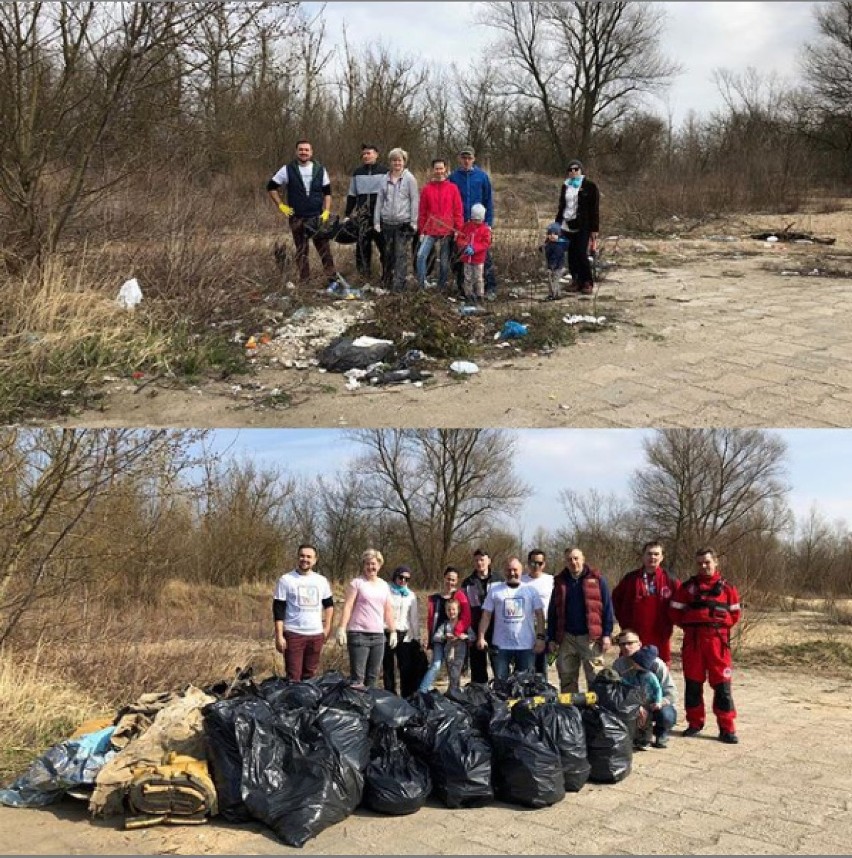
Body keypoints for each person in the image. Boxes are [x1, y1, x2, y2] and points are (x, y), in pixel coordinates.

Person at [669, 548, 741, 744]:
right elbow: (674, 613)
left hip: (718, 643)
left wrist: (716, 628)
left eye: (707, 562)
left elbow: (734, 615)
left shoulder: (728, 589)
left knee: (723, 687)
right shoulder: (687, 588)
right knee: (693, 684)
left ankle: (727, 728)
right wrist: (692, 626)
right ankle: (694, 723)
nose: (703, 566)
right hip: (693, 643)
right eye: (699, 562)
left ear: (715, 562)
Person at [267, 139, 337, 288]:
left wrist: (326, 211)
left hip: (316, 217)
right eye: (301, 150)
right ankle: (306, 284)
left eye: (306, 150)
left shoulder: (320, 169)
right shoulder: (287, 169)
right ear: (296, 151)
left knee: (325, 250)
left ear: (311, 152)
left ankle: (333, 281)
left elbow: (327, 193)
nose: (304, 152)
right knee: (302, 251)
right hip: (297, 217)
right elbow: (271, 187)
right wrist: (281, 206)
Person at [546, 547, 614, 693]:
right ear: (565, 562)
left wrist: (607, 634)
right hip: (567, 638)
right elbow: (553, 612)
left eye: (576, 558)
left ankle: (596, 712)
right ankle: (570, 712)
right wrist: (551, 638)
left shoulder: (597, 579)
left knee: (596, 677)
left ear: (583, 559)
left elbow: (608, 608)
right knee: (567, 678)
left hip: (590, 638)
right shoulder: (560, 582)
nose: (573, 562)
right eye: (569, 559)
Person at [335, 549, 397, 689]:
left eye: (374, 564)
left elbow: (388, 609)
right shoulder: (357, 583)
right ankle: (357, 706)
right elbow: (348, 606)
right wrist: (341, 628)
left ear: (379, 565)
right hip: (358, 634)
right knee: (358, 677)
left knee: (373, 676)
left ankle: (369, 705)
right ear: (363, 565)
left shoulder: (384, 585)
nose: (371, 567)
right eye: (367, 564)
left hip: (378, 636)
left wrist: (393, 631)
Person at [476, 557, 546, 680]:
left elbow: (540, 615)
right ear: (504, 571)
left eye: (515, 569)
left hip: (526, 646)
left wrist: (540, 638)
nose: (512, 573)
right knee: (501, 685)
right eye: (509, 570)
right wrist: (481, 637)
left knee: (525, 685)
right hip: (501, 646)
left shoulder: (531, 590)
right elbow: (486, 615)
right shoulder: (495, 590)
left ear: (521, 569)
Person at [272, 543, 334, 681]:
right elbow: (278, 609)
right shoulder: (286, 580)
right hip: (294, 634)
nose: (305, 559)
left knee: (310, 676)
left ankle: (307, 701)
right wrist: (279, 635)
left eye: (308, 557)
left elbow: (329, 605)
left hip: (316, 635)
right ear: (297, 557)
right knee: (294, 676)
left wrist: (327, 627)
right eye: (302, 556)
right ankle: (293, 702)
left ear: (315, 560)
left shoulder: (321, 581)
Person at [612, 540, 679, 665]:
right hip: (634, 634)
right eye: (649, 554)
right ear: (643, 556)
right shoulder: (631, 578)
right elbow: (616, 599)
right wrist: (624, 623)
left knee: (659, 669)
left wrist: (670, 621)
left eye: (656, 554)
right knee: (630, 669)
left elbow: (681, 603)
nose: (652, 557)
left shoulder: (671, 580)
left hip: (660, 634)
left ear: (662, 557)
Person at [613, 630, 678, 749]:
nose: (626, 647)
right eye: (622, 644)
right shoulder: (618, 665)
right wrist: (635, 706)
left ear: (639, 644)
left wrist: (657, 704)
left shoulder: (657, 664)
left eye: (630, 643)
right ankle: (638, 736)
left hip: (656, 704)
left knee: (666, 715)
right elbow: (617, 690)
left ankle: (661, 732)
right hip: (633, 705)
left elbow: (672, 693)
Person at [449, 145, 497, 299]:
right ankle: (463, 289)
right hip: (462, 224)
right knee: (461, 257)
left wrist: (488, 223)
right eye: (464, 158)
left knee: (484, 256)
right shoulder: (454, 177)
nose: (466, 160)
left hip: (479, 223)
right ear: (460, 159)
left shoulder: (482, 177)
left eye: (469, 158)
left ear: (474, 159)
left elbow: (488, 200)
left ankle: (490, 288)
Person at [373, 147, 419, 293]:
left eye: (399, 160)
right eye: (394, 160)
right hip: (387, 222)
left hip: (402, 223)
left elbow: (414, 200)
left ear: (404, 161)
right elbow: (379, 201)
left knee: (400, 255)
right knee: (387, 254)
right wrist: (376, 221)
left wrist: (413, 222)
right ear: (390, 162)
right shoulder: (384, 179)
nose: (396, 163)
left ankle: (399, 286)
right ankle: (387, 280)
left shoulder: (410, 179)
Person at [419, 566, 471, 692]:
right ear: (444, 578)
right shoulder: (435, 598)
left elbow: (466, 617)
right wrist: (429, 636)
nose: (450, 582)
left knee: (454, 668)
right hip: (440, 637)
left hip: (454, 639)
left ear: (457, 581)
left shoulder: (460, 596)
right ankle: (422, 690)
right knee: (436, 664)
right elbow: (431, 619)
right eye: (448, 579)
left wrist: (457, 633)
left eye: (453, 580)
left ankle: (453, 692)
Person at [553, 158, 600, 295]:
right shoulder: (565, 186)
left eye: (576, 169)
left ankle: (587, 281)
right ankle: (576, 280)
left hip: (583, 224)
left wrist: (594, 229)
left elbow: (594, 209)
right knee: (571, 254)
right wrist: (557, 224)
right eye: (570, 169)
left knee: (581, 253)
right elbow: (562, 206)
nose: (573, 172)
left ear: (581, 170)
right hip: (567, 223)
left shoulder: (590, 186)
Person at [416, 158, 463, 291]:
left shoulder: (453, 188)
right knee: (420, 256)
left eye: (441, 168)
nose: (439, 171)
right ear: (432, 170)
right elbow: (423, 212)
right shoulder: (426, 189)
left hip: (447, 231)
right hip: (430, 230)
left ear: (445, 169)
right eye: (436, 169)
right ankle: (422, 285)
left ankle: (440, 288)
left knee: (444, 263)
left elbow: (458, 211)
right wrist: (421, 230)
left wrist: (458, 229)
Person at [344, 143, 388, 282]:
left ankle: (387, 275)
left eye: (369, 153)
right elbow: (352, 194)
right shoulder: (357, 173)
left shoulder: (385, 171)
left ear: (376, 154)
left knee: (384, 246)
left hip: (380, 215)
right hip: (362, 215)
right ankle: (364, 276)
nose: (366, 156)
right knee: (362, 245)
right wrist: (347, 214)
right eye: (363, 154)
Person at [460, 548, 501, 683]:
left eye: (482, 559)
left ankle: (501, 693)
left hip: (497, 629)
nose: (479, 563)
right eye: (476, 560)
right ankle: (479, 696)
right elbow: (464, 608)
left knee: (499, 666)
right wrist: (468, 630)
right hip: (475, 628)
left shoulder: (500, 580)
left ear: (489, 561)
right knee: (478, 668)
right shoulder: (467, 583)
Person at [383, 564, 421, 698]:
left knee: (405, 666)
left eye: (407, 579)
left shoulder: (411, 595)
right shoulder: (386, 590)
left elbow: (414, 617)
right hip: (387, 631)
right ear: (395, 576)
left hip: (404, 633)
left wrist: (416, 636)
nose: (403, 581)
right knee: (388, 666)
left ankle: (407, 695)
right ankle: (390, 694)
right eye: (401, 577)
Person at [521, 548, 554, 676]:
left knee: (541, 664)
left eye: (539, 563)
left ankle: (542, 691)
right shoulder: (521, 580)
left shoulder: (551, 581)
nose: (536, 566)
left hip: (544, 626)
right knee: (526, 664)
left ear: (544, 564)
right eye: (533, 563)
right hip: (525, 626)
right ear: (528, 563)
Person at [455, 203, 492, 304]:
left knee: (478, 278)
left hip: (478, 259)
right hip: (467, 258)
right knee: (467, 277)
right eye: (474, 220)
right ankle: (468, 295)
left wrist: (474, 248)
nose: (476, 222)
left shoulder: (485, 230)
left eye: (478, 220)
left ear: (482, 219)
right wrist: (464, 245)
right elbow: (459, 239)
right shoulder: (466, 227)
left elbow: (486, 243)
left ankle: (480, 295)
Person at [541, 221, 568, 301]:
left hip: (556, 267)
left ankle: (553, 294)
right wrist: (542, 248)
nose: (552, 236)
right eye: (550, 234)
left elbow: (555, 257)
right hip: (552, 266)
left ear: (559, 235)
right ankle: (556, 294)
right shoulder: (550, 244)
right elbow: (546, 250)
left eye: (555, 234)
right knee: (552, 280)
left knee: (553, 281)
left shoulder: (558, 246)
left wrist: (551, 266)